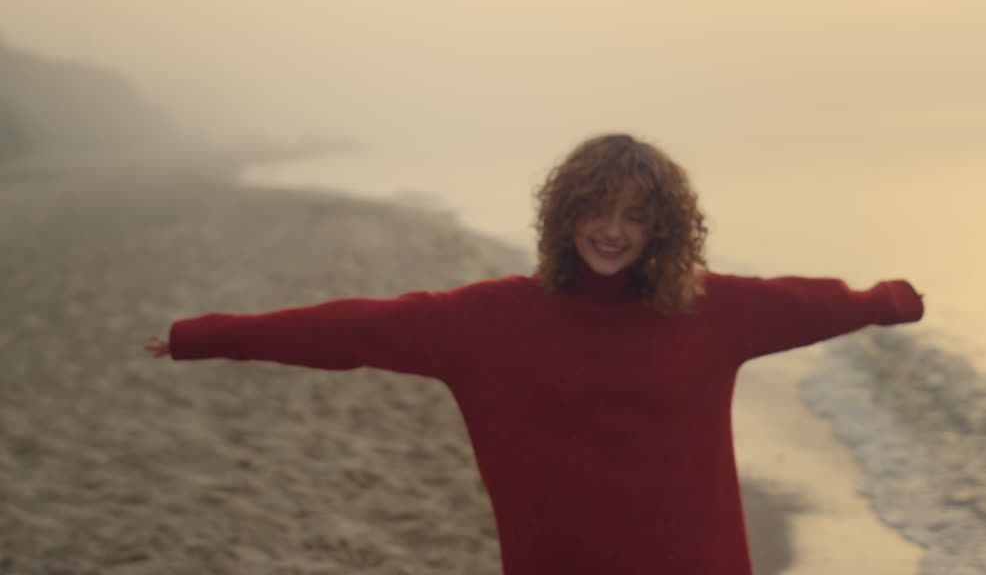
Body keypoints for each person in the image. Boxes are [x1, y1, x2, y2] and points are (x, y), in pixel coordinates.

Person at [144, 132, 925, 575]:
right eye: (597, 210)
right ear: (566, 215)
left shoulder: (710, 309)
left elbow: (812, 301)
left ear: (663, 230)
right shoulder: (488, 321)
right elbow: (352, 330)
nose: (613, 231)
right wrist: (206, 336)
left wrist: (889, 300)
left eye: (635, 216)